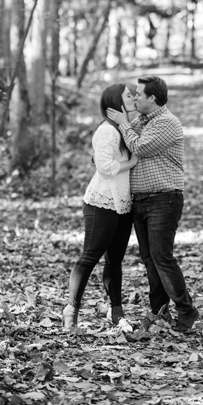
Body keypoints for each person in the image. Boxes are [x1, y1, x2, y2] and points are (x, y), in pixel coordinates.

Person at [106, 75, 200, 332]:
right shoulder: (141, 121)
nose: (135, 98)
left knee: (162, 256)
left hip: (163, 199)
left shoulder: (167, 123)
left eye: (138, 94)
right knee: (150, 259)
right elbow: (122, 143)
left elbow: (140, 147)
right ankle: (159, 311)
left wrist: (124, 125)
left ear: (153, 98)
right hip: (141, 201)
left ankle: (186, 310)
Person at [64, 83, 138, 329]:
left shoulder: (125, 129)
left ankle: (116, 312)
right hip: (102, 202)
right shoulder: (107, 131)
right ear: (117, 102)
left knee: (115, 260)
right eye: (129, 95)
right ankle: (71, 310)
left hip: (123, 203)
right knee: (90, 256)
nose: (134, 98)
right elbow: (104, 167)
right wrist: (133, 162)